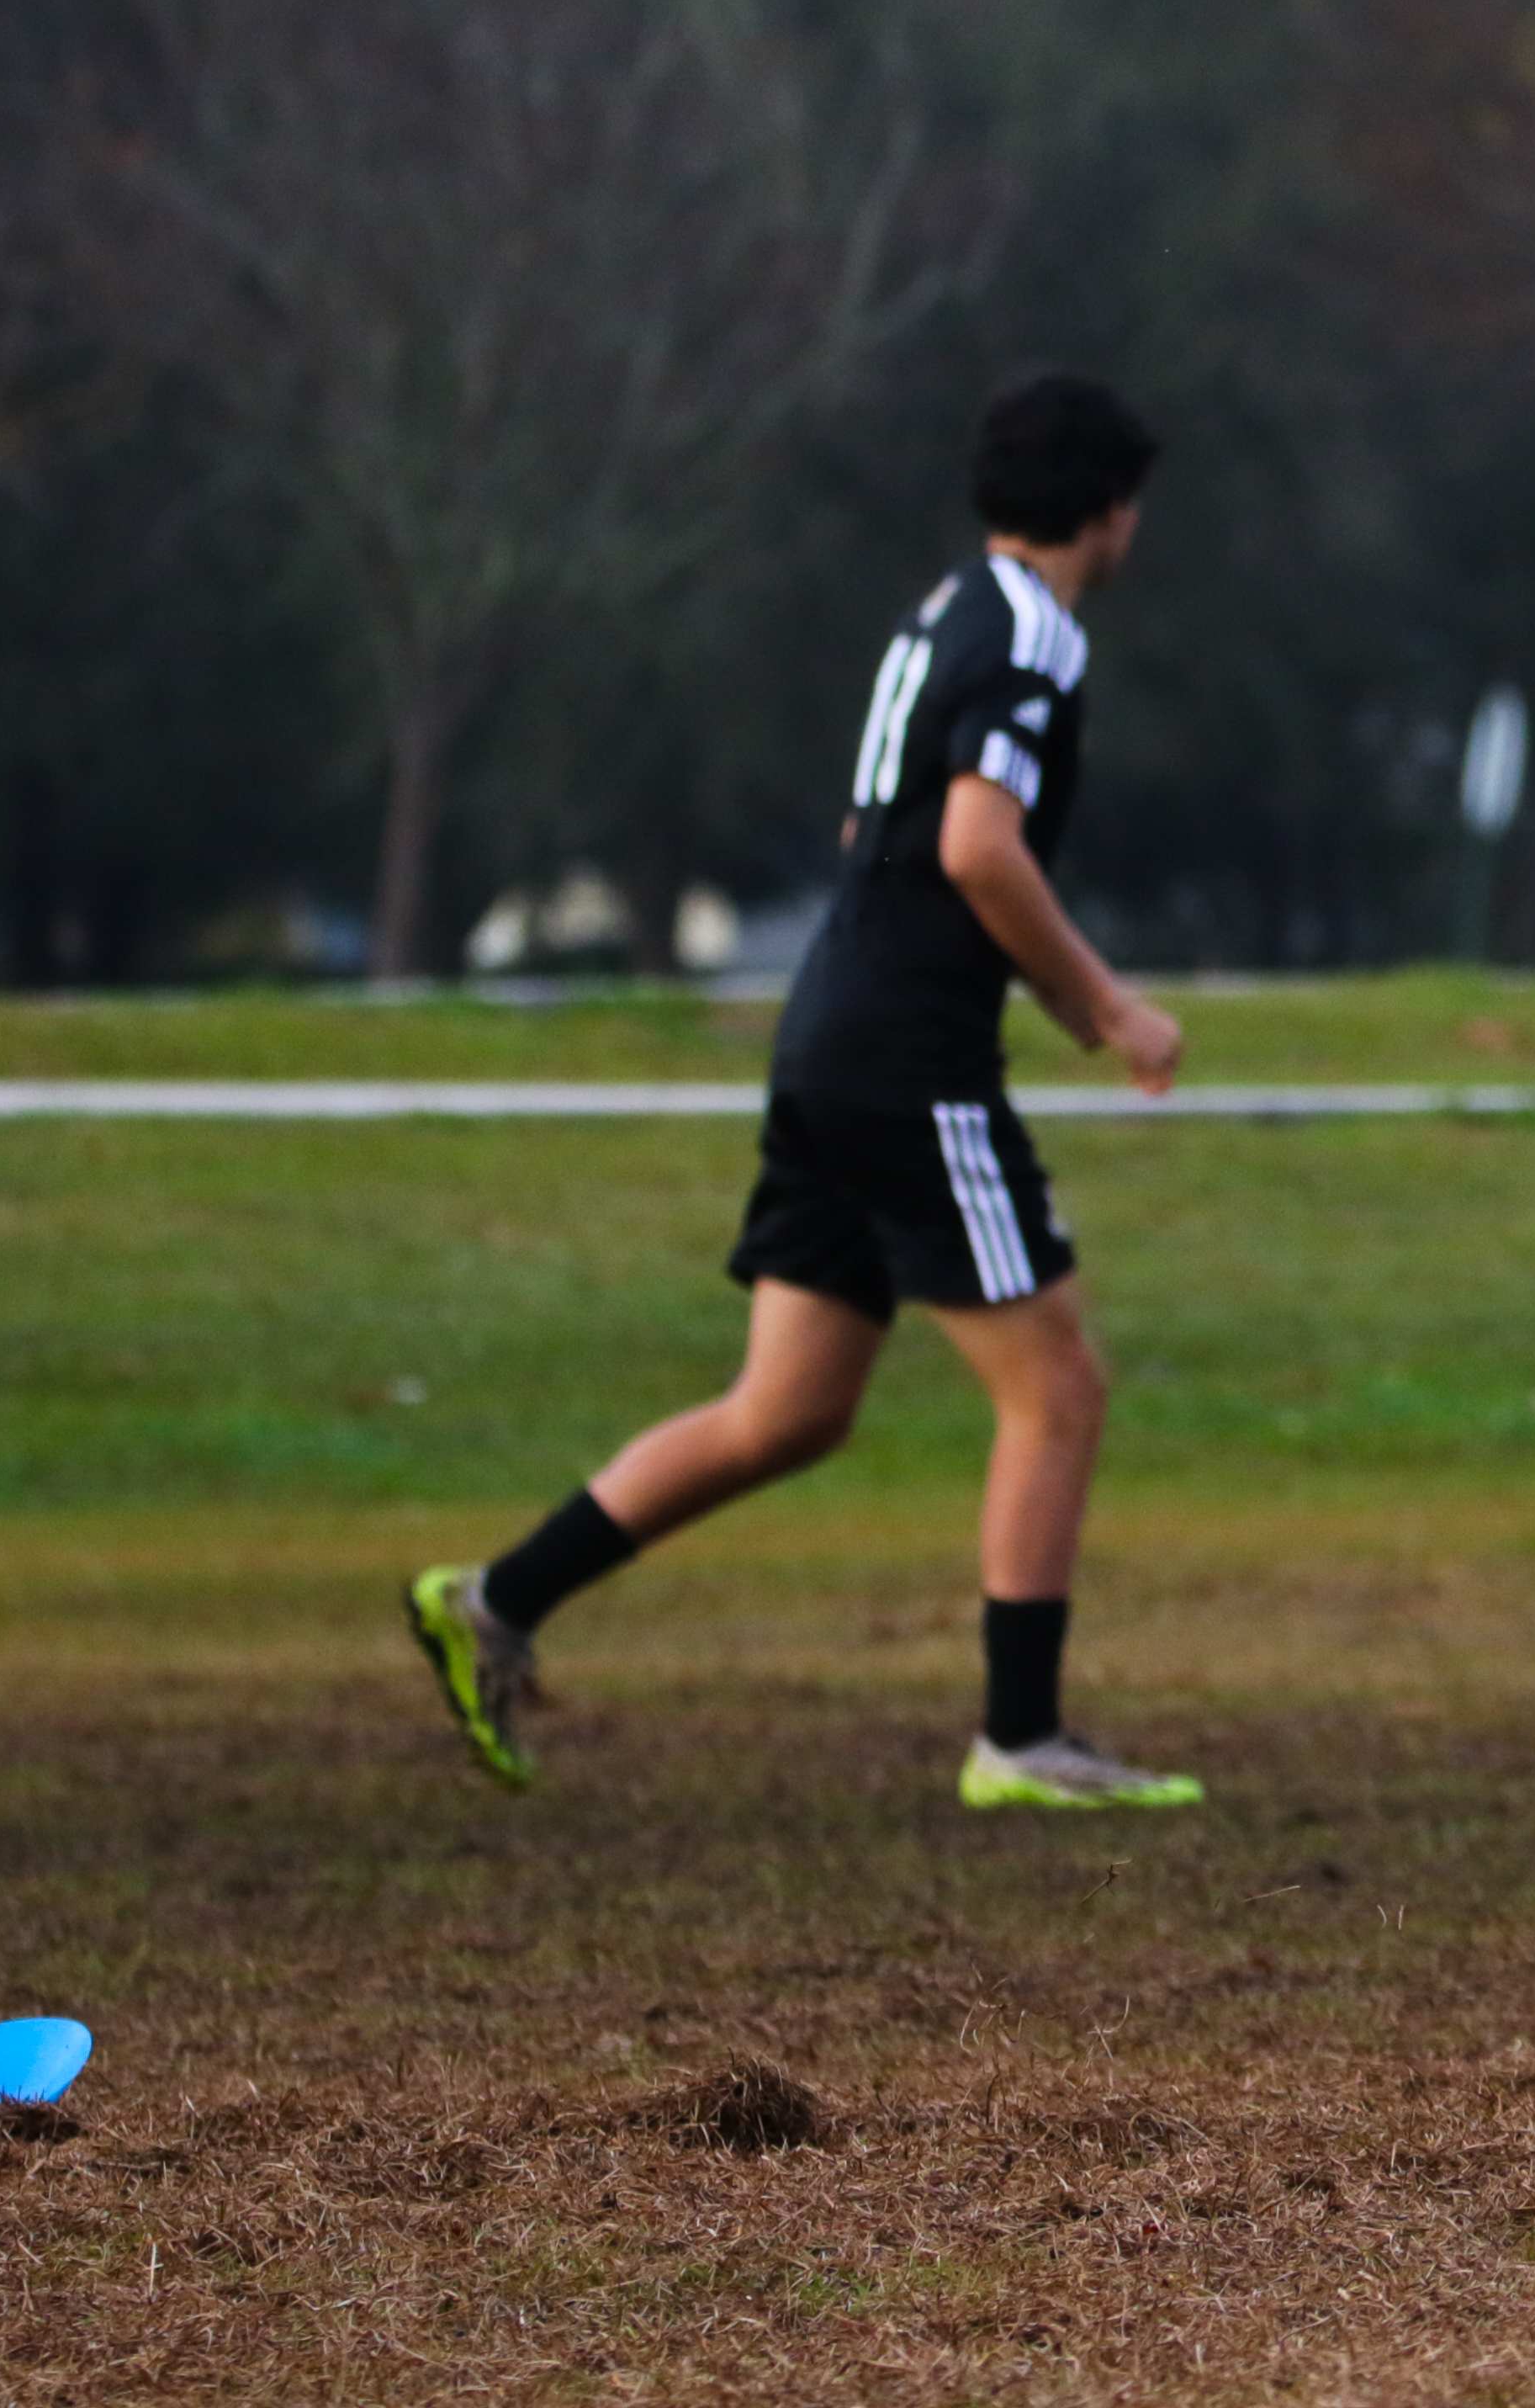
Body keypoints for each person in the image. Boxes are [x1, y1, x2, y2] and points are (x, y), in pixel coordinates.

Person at [404, 374, 1204, 1812]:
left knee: (788, 1409)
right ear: (1113, 509)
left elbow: (871, 823)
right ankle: (1022, 1742)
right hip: (909, 1061)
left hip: (829, 1033)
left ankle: (496, 1602)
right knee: (1061, 1388)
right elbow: (975, 845)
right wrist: (1106, 1006)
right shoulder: (1036, 638)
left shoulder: (939, 615)